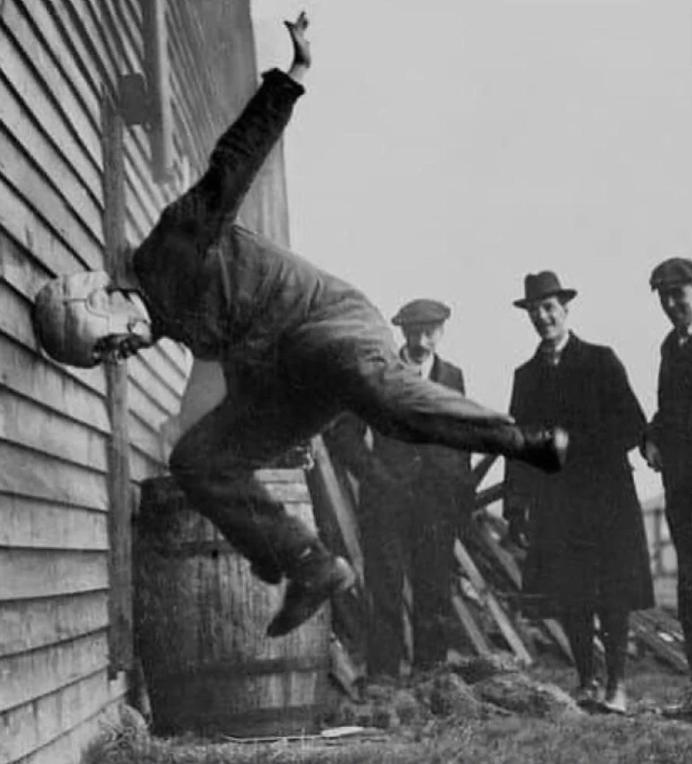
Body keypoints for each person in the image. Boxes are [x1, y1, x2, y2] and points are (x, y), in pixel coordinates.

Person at [32, 14, 568, 640]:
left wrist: (294, 75)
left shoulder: (170, 245)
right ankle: (311, 565)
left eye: (109, 341)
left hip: (327, 323)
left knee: (378, 400)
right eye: (110, 358)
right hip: (283, 372)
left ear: (104, 300)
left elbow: (235, 159)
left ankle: (521, 440)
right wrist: (259, 531)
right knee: (197, 459)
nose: (121, 351)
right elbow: (221, 366)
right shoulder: (165, 316)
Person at [504, 271, 653, 714]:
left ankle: (617, 687)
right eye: (534, 311)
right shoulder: (526, 375)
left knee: (611, 593)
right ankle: (586, 681)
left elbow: (632, 425)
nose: (542, 317)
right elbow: (518, 446)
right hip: (555, 501)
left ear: (566, 310)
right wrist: (516, 507)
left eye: (549, 308)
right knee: (570, 593)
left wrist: (574, 442)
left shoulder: (600, 360)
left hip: (605, 496)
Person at [325, 299, 475, 675]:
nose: (422, 341)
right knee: (386, 591)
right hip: (387, 500)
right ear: (402, 333)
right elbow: (344, 433)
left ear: (441, 332)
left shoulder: (452, 376)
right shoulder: (378, 374)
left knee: (434, 590)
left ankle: (432, 680)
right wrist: (376, 475)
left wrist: (457, 487)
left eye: (430, 332)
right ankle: (384, 682)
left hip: (436, 503)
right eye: (414, 332)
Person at [642, 257, 692, 719]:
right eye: (665, 297)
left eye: (679, 294)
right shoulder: (669, 347)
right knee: (690, 585)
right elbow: (668, 409)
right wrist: (651, 437)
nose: (673, 304)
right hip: (681, 485)